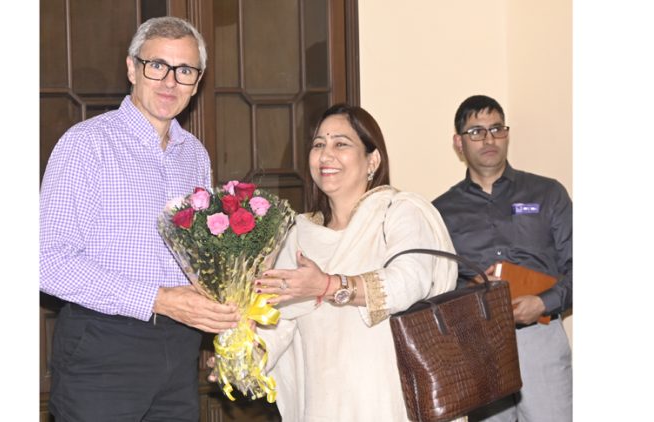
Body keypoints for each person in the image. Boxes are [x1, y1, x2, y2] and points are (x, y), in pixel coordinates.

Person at [39, 16, 241, 421]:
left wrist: (230, 322)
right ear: (132, 68)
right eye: (157, 66)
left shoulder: (194, 155)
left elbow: (199, 259)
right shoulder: (86, 145)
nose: (170, 82)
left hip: (179, 348)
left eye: (184, 71)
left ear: (197, 82)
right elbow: (47, 262)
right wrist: (158, 299)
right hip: (103, 349)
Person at [248, 103, 462, 421]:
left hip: (389, 400)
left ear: (372, 160)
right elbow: (281, 323)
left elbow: (410, 282)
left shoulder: (398, 211)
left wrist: (330, 285)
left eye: (341, 144)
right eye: (318, 144)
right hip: (324, 403)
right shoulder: (301, 234)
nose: (326, 154)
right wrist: (242, 357)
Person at [432, 94, 572, 422]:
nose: (489, 139)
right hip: (479, 346)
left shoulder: (547, 193)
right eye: (476, 132)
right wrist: (471, 294)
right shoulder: (440, 210)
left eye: (497, 129)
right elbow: (434, 286)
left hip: (540, 339)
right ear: (458, 142)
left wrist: (544, 302)